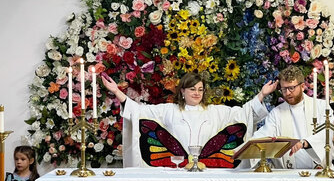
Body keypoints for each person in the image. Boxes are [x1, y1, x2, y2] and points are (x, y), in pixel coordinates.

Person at [102, 72, 277, 168]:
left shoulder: (215, 112)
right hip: (176, 171)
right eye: (192, 89)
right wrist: (117, 92)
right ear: (182, 92)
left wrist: (262, 94)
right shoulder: (168, 110)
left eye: (200, 89)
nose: (196, 93)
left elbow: (244, 113)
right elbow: (138, 112)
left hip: (209, 171)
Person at [251, 66, 334, 169]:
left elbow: (327, 133)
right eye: (284, 89)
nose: (287, 93)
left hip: (319, 173)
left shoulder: (321, 107)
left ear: (302, 86)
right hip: (289, 175)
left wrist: (305, 143)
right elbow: (264, 135)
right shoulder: (276, 113)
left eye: (291, 88)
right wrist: (246, 147)